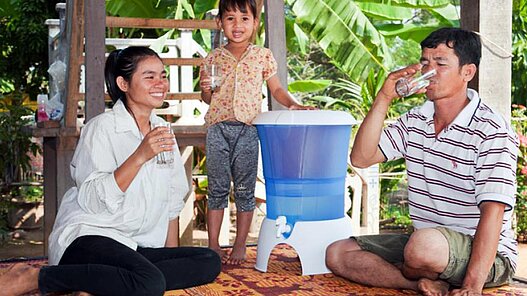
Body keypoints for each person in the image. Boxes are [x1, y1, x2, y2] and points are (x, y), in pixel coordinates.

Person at [0, 46, 221, 296]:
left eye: (163, 75)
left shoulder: (162, 129)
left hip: (135, 246)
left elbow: (171, 201)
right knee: (150, 282)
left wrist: (167, 255)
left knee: (208, 260)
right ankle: (36, 277)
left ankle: (100, 283)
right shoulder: (100, 128)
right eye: (149, 76)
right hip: (90, 236)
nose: (160, 83)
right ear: (123, 84)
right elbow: (93, 201)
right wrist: (140, 155)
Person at [326, 28, 519, 296]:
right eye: (425, 62)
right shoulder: (415, 120)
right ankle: (420, 283)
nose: (429, 71)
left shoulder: (492, 129)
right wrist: (384, 98)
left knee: (421, 247)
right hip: (427, 241)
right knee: (337, 253)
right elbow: (361, 158)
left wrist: (472, 288)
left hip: (486, 253)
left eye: (440, 63)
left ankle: (424, 268)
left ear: (468, 73)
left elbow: (494, 211)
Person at [199, 0, 314, 265]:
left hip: (248, 130)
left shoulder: (262, 56)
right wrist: (206, 88)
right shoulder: (212, 58)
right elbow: (207, 98)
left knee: (244, 189)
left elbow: (276, 89)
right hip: (217, 128)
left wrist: (293, 104)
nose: (237, 25)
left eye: (244, 19)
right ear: (220, 23)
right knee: (216, 189)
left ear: (254, 23)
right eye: (230, 19)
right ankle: (213, 244)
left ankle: (240, 245)